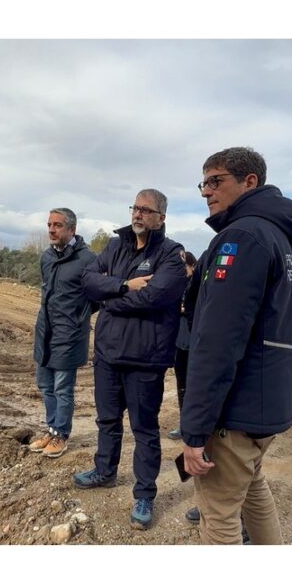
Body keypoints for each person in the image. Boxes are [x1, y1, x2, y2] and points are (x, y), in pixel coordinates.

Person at [181, 146, 292, 545]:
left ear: (250, 181)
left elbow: (217, 341)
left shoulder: (242, 237)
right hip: (266, 405)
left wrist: (195, 429)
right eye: (203, 183)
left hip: (235, 411)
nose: (206, 191)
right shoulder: (287, 244)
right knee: (253, 489)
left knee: (218, 514)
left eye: (216, 181)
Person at [74, 188, 189, 530]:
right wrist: (124, 286)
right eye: (135, 208)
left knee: (144, 430)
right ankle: (105, 471)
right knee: (107, 421)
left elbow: (155, 297)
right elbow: (88, 281)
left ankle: (145, 494)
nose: (138, 214)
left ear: (161, 217)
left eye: (146, 209)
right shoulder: (114, 246)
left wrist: (110, 297)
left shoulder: (171, 255)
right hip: (108, 354)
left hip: (145, 359)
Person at [29, 208, 97, 458]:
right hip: (45, 330)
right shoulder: (46, 257)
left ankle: (61, 435)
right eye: (49, 224)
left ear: (72, 230)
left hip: (69, 335)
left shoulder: (88, 259)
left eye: (57, 225)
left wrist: (77, 318)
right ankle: (50, 428)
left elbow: (97, 296)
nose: (51, 229)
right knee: (45, 385)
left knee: (62, 388)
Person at [167, 250, 197, 441]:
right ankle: (184, 424)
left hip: (193, 342)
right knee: (182, 384)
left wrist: (185, 309)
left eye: (184, 267)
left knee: (193, 385)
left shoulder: (199, 284)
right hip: (179, 342)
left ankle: (193, 426)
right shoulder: (177, 284)